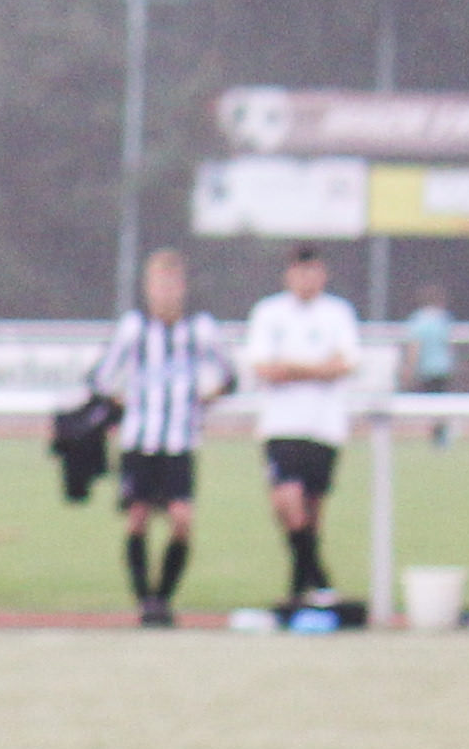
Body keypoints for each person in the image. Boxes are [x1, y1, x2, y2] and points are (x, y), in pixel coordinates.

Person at [88, 247, 231, 628]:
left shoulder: (199, 330)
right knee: (136, 518)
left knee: (181, 519)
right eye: (158, 285)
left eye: (172, 284)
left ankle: (163, 596)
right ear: (148, 288)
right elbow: (100, 377)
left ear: (182, 287)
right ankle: (145, 601)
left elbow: (229, 376)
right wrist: (123, 404)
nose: (165, 293)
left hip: (180, 443)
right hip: (139, 441)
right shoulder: (134, 329)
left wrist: (202, 400)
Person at [245, 244, 361, 608]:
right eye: (300, 272)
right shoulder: (269, 313)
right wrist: (318, 368)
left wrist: (292, 368)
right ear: (289, 274)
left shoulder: (338, 313)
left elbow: (345, 364)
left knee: (312, 511)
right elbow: (265, 368)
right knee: (288, 502)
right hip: (282, 426)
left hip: (324, 427)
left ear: (322, 274)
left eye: (312, 272)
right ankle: (321, 582)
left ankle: (299, 591)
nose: (306, 279)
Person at [408, 281, 457, 448]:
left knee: (430, 405)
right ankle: (441, 438)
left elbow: (414, 347)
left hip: (426, 369)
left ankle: (438, 437)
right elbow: (449, 344)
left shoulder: (417, 320)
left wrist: (410, 368)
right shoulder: (443, 319)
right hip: (443, 368)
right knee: (441, 404)